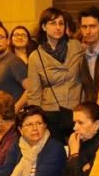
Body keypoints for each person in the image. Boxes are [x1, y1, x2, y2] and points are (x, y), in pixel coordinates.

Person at [26, 8, 84, 140]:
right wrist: (36, 121)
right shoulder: (36, 57)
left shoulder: (76, 47)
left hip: (76, 111)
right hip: (51, 113)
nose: (58, 27)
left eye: (61, 23)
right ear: (44, 27)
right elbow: (34, 94)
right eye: (53, 23)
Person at [78, 7, 99, 103]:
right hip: (89, 112)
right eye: (84, 27)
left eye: (92, 26)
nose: (88, 31)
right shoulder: (81, 56)